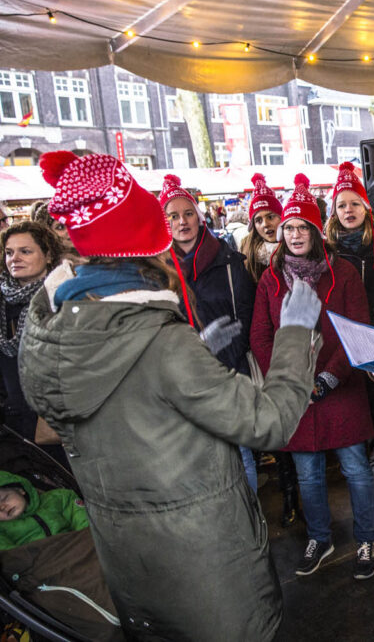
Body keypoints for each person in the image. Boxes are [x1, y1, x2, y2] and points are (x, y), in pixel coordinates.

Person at [20, 150, 324, 641]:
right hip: (205, 574)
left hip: (133, 568)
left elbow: (132, 401)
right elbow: (267, 421)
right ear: (145, 245)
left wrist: (194, 355)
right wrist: (294, 333)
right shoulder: (160, 342)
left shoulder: (52, 330)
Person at [250, 174, 374, 580]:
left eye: (301, 226)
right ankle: (320, 537)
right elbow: (260, 334)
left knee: (356, 468)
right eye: (288, 227)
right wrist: (291, 379)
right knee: (307, 472)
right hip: (297, 395)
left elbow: (357, 330)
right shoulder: (271, 278)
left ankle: (367, 539)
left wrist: (326, 377)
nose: (293, 234)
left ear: (314, 229)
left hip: (339, 388)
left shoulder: (342, 274)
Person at [160, 174, 259, 490]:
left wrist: (227, 362)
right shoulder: (159, 270)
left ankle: (251, 526)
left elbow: (245, 313)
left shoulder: (228, 261)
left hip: (227, 371)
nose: (182, 222)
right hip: (183, 376)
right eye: (172, 216)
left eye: (187, 213)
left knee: (241, 457)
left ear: (199, 216)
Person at [325, 161, 374, 528]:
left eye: (354, 203)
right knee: (353, 424)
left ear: (367, 207)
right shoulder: (326, 251)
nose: (348, 211)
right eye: (342, 205)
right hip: (338, 346)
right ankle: (363, 495)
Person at [240, 174, 301, 528]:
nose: (265, 224)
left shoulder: (294, 253)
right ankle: (288, 490)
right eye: (259, 219)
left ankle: (299, 491)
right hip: (263, 354)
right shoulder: (246, 259)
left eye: (271, 217)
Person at [1, 221, 65, 463]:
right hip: (12, 424)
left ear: (48, 255)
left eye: (25, 251)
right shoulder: (3, 300)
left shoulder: (63, 297)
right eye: (9, 252)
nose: (14, 258)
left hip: (53, 422)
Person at [0, 470, 89, 549]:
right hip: (40, 563)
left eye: (4, 499)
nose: (2, 507)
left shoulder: (58, 498)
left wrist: (84, 541)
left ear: (20, 490)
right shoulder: (2, 530)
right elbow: (9, 556)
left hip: (77, 545)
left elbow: (84, 520)